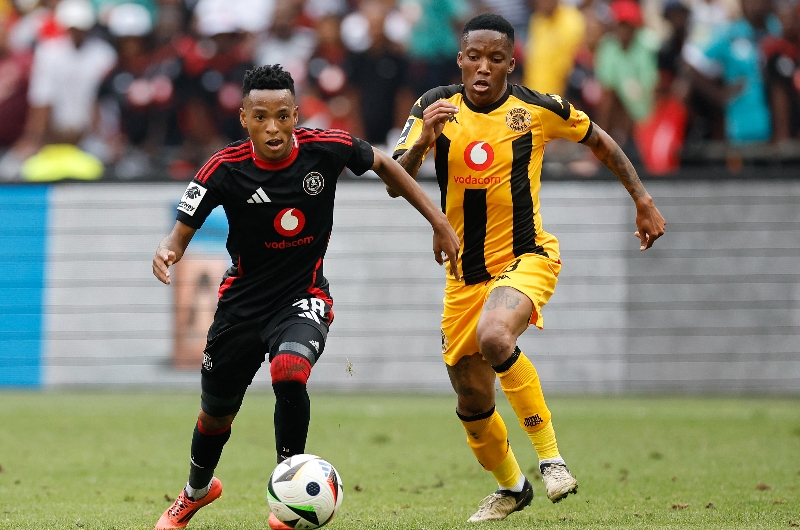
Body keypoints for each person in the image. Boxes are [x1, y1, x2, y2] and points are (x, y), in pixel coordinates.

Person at [151, 64, 460, 530]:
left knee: (290, 372)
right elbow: (178, 234)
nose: (272, 128)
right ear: (244, 118)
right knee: (215, 415)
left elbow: (382, 163)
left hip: (303, 296)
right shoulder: (223, 168)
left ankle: (289, 493)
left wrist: (437, 220)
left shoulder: (326, 148)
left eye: (282, 116)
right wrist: (168, 250)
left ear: (296, 115)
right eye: (260, 117)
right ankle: (196, 492)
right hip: (241, 307)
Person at [390, 13, 665, 523]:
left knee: (496, 336)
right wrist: (424, 141)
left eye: (495, 58)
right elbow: (393, 180)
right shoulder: (433, 106)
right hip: (464, 275)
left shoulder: (537, 110)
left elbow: (599, 140)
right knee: (471, 399)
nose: (483, 67)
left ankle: (551, 460)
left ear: (510, 64)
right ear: (460, 59)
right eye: (475, 57)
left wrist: (642, 199)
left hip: (526, 256)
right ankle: (512, 488)